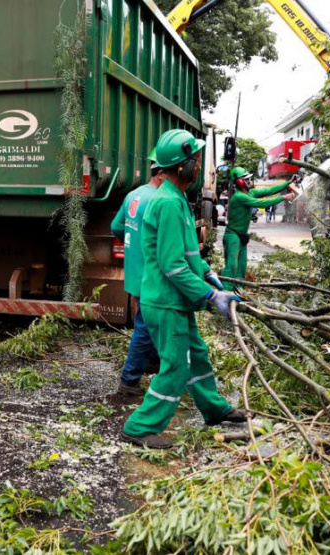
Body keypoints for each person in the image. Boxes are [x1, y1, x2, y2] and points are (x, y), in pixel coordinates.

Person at [121, 129, 246, 450]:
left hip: (173, 301)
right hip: (166, 302)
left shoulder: (175, 199)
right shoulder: (168, 204)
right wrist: (210, 295)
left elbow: (187, 252)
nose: (199, 165)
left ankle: (215, 409)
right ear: (182, 167)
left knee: (198, 356)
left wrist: (207, 272)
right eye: (196, 160)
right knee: (175, 366)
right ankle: (140, 426)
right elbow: (172, 265)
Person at [110, 156, 164, 398]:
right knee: (145, 325)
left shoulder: (134, 194)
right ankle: (129, 381)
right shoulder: (162, 200)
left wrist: (132, 249)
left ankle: (152, 363)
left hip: (134, 270)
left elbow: (116, 226)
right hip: (150, 273)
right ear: (162, 173)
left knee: (147, 322)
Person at [221, 168, 296, 284]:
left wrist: (288, 183)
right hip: (233, 236)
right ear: (239, 182)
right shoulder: (239, 197)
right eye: (246, 179)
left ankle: (238, 292)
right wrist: (283, 197)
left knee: (241, 267)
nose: (250, 180)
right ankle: (225, 293)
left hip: (241, 235)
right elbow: (262, 203)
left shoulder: (250, 193)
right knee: (231, 267)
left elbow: (268, 191)